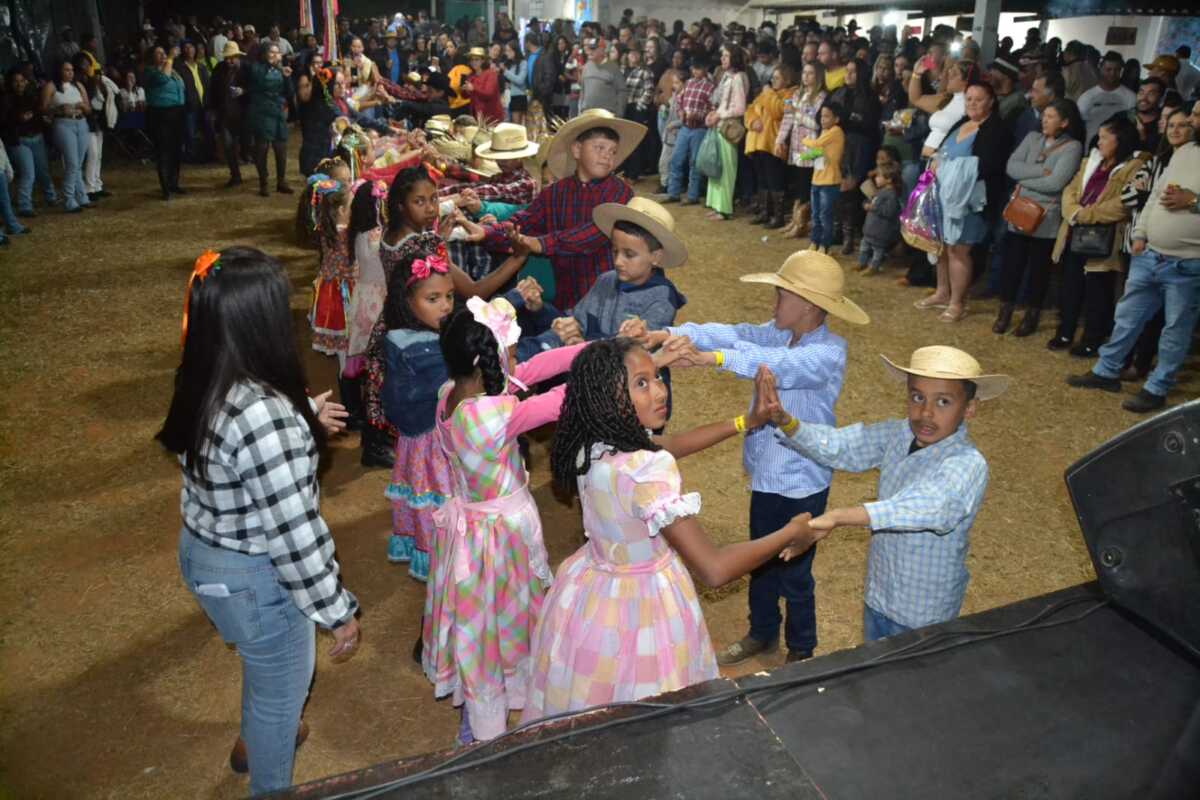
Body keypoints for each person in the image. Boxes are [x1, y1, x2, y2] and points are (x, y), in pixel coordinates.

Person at [521, 340, 820, 719]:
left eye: (658, 378)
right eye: (641, 383)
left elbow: (673, 444)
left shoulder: (594, 440)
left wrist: (748, 421)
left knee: (594, 706)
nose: (660, 390)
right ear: (607, 396)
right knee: (652, 712)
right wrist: (789, 533)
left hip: (593, 594)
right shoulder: (645, 471)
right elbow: (713, 568)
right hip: (645, 604)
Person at [158, 246, 359, 795]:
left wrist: (300, 417)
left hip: (205, 551)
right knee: (281, 694)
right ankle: (268, 773)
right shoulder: (264, 417)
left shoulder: (203, 373)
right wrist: (337, 611)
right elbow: (296, 538)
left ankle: (251, 740)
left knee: (262, 665)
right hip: (253, 578)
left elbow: (239, 447)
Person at [638, 250, 866, 665]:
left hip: (802, 483)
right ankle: (762, 633)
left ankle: (802, 650)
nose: (774, 303)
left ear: (810, 306)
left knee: (796, 573)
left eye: (781, 295)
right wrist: (668, 331)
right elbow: (733, 332)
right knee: (761, 559)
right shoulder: (778, 332)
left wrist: (712, 359)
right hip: (767, 476)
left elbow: (779, 364)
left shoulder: (828, 352)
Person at [426, 300, 586, 744]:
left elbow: (530, 370)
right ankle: (491, 727)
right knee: (508, 622)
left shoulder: (451, 396)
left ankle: (482, 716)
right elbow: (558, 400)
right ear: (487, 361)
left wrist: (597, 348)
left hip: (473, 538)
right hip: (501, 539)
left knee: (482, 625)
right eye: (508, 350)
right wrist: (605, 369)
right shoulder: (491, 415)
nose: (515, 359)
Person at [769, 346, 1008, 641]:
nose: (926, 413)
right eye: (917, 397)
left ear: (969, 408)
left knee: (912, 678)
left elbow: (927, 506)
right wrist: (787, 422)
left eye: (943, 402)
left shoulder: (967, 464)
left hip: (923, 610)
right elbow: (844, 446)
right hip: (881, 592)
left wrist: (838, 517)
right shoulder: (900, 434)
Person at [1067, 110, 1199, 413]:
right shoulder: (1183, 153)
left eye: (1197, 116)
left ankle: (1157, 387)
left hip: (1188, 262)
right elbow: (1154, 196)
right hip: (1151, 252)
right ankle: (1106, 370)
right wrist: (1140, 233)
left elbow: (1184, 199)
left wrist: (1193, 201)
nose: (1192, 120)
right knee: (1127, 316)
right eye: (1192, 114)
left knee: (1175, 329)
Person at [475, 109, 643, 311]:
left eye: (613, 151)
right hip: (567, 298)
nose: (607, 156)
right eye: (599, 147)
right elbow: (524, 221)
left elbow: (594, 233)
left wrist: (540, 243)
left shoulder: (621, 193)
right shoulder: (555, 193)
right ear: (577, 150)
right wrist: (486, 232)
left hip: (608, 301)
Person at [520, 197, 688, 358]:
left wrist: (585, 347)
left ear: (656, 257)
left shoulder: (662, 298)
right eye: (615, 251)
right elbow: (578, 319)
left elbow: (638, 349)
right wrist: (541, 309)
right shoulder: (606, 280)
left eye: (629, 254)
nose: (618, 261)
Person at [379, 243, 455, 580]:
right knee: (440, 503)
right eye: (433, 299)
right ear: (408, 302)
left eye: (449, 297)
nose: (445, 307)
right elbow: (449, 377)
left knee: (439, 502)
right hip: (430, 448)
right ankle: (442, 557)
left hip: (429, 445)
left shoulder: (431, 338)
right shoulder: (413, 345)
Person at [1047, 115, 1147, 357]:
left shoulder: (1134, 166)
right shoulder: (1089, 162)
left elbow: (1122, 205)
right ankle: (1065, 331)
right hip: (1073, 233)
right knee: (1069, 286)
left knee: (1097, 291)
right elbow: (1070, 190)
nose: (1098, 142)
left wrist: (1086, 215)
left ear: (1120, 139)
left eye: (1104, 137)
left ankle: (1092, 337)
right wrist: (1073, 212)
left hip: (1103, 239)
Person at [915, 82, 1011, 323]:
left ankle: (957, 303)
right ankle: (942, 292)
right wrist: (937, 162)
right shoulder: (960, 123)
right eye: (969, 99)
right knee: (942, 246)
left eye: (978, 99)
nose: (972, 104)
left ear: (991, 101)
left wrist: (947, 167)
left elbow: (987, 166)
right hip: (943, 195)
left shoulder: (997, 130)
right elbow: (940, 151)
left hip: (970, 200)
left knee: (958, 249)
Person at [993, 98, 1084, 337]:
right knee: (1012, 266)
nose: (1045, 119)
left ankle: (1031, 316)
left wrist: (1025, 179)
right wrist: (1037, 173)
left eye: (1051, 116)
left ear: (1065, 122)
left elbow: (1056, 182)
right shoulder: (1032, 138)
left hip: (1046, 218)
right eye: (1044, 115)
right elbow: (1011, 166)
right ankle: (1005, 312)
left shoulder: (1072, 147)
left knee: (1038, 270)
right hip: (1020, 211)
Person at [834, 57, 882, 254]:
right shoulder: (840, 92)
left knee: (851, 191)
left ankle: (849, 236)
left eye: (853, 71)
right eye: (847, 70)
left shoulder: (869, 97)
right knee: (838, 189)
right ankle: (837, 231)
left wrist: (847, 119)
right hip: (839, 144)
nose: (848, 75)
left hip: (859, 148)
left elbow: (868, 125)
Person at [775, 61, 826, 239]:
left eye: (810, 73)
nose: (806, 76)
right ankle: (796, 220)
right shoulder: (797, 93)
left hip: (814, 147)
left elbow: (816, 123)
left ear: (818, 76)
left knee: (810, 185)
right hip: (797, 146)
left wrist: (797, 113)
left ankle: (805, 223)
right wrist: (779, 140)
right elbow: (787, 119)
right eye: (804, 72)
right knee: (799, 184)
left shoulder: (821, 97)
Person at [658, 53, 715, 208]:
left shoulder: (710, 87)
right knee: (676, 159)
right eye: (693, 69)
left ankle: (692, 195)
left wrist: (700, 115)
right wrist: (682, 112)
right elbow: (680, 100)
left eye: (698, 69)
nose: (695, 72)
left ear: (705, 69)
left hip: (699, 129)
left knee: (694, 163)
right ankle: (673, 192)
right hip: (685, 127)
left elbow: (712, 108)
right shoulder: (688, 83)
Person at [3, 69, 58, 216]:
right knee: (28, 173)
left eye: (22, 81)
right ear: (11, 83)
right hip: (18, 140)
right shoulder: (6, 100)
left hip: (36, 136)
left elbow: (39, 114)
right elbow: (3, 123)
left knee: (43, 171)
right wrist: (18, 119)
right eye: (16, 81)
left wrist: (45, 120)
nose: (19, 84)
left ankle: (50, 196)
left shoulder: (32, 96)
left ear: (26, 82)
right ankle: (24, 205)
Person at [704, 45, 748, 221]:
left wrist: (718, 115)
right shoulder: (726, 77)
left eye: (727, 56)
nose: (723, 59)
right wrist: (714, 114)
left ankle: (724, 209)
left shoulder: (738, 78)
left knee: (726, 169)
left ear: (734, 58)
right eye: (722, 55)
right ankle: (716, 205)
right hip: (720, 124)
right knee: (717, 166)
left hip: (728, 127)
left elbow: (739, 108)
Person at [41, 59, 92, 213]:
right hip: (63, 124)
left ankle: (81, 196)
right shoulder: (51, 86)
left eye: (71, 70)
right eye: (66, 70)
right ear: (59, 71)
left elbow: (88, 109)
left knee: (78, 163)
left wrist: (82, 106)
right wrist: (58, 109)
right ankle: (69, 198)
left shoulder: (78, 85)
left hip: (81, 122)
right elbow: (43, 109)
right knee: (72, 163)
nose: (70, 73)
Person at [747, 64, 794, 229]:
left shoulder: (790, 93)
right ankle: (764, 212)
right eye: (772, 78)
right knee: (762, 179)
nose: (773, 81)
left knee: (775, 179)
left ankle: (778, 215)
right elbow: (750, 109)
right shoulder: (767, 94)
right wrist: (752, 121)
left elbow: (778, 111)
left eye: (777, 78)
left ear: (787, 79)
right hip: (757, 142)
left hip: (773, 144)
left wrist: (768, 94)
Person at [246, 43, 294, 196]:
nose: (274, 55)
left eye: (277, 52)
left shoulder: (282, 69)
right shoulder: (256, 67)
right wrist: (278, 67)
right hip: (262, 110)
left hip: (277, 110)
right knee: (262, 147)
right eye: (271, 52)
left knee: (281, 147)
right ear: (264, 54)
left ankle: (281, 181)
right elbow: (259, 82)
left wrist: (287, 77)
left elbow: (289, 91)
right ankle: (264, 182)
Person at [142, 45, 187, 201]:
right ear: (151, 57)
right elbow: (162, 79)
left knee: (176, 150)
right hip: (160, 115)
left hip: (176, 112)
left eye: (164, 52)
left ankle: (174, 183)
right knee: (163, 151)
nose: (163, 55)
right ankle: (165, 187)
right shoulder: (150, 72)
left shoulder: (171, 70)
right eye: (159, 53)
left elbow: (181, 88)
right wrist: (171, 58)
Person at [802, 102, 845, 254]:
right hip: (817, 179)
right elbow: (819, 153)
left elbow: (816, 144)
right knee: (815, 214)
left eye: (827, 116)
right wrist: (805, 156)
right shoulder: (825, 132)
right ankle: (815, 241)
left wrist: (805, 140)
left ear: (837, 119)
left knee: (825, 215)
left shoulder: (836, 131)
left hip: (830, 181)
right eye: (821, 116)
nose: (823, 119)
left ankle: (824, 245)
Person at [1077, 52, 1136, 148]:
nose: (1112, 73)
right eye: (1108, 69)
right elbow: (1080, 126)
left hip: (1119, 149)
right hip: (1090, 148)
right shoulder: (1086, 97)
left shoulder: (1130, 97)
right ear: (1100, 69)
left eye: (1117, 70)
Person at [209, 41, 247, 186]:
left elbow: (255, 87)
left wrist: (243, 91)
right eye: (227, 57)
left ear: (238, 56)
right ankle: (235, 175)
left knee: (246, 146)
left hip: (243, 114)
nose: (229, 60)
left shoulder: (245, 69)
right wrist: (212, 110)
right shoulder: (218, 69)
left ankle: (261, 177)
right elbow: (212, 90)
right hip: (225, 114)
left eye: (232, 57)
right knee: (228, 145)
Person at [857, 161, 903, 273]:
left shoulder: (891, 195)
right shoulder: (880, 192)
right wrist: (865, 204)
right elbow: (872, 200)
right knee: (864, 247)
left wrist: (873, 208)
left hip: (880, 231)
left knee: (878, 250)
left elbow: (889, 212)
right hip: (870, 229)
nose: (876, 178)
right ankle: (861, 263)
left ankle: (873, 267)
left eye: (878, 176)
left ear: (889, 179)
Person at [620, 47, 656, 182]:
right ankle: (624, 172)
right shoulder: (622, 70)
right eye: (631, 53)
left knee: (635, 141)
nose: (633, 55)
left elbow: (649, 91)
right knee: (624, 141)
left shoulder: (645, 71)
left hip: (636, 108)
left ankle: (633, 173)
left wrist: (639, 107)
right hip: (623, 108)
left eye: (636, 53)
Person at [579, 38, 625, 116]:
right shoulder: (586, 66)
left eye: (593, 49)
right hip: (587, 114)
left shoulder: (613, 68)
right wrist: (580, 110)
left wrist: (619, 113)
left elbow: (622, 91)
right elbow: (583, 90)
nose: (589, 51)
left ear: (602, 50)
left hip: (607, 116)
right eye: (589, 48)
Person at [501, 40, 528, 125]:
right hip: (510, 96)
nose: (507, 53)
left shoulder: (523, 63)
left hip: (520, 96)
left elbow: (520, 80)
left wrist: (505, 71)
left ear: (515, 51)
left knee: (518, 126)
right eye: (506, 50)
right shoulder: (510, 64)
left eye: (509, 50)